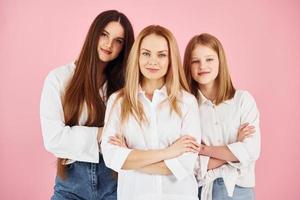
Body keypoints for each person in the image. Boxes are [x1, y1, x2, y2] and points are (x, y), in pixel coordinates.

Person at [40, 10, 134, 200]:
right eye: (104, 34)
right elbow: (53, 139)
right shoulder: (59, 78)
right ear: (94, 34)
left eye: (118, 41)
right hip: (71, 182)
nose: (109, 44)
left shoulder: (125, 86)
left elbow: (132, 134)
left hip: (115, 180)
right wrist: (103, 132)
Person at [101, 25, 201, 200]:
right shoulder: (118, 101)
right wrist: (169, 152)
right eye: (146, 53)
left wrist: (130, 158)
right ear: (137, 57)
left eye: (161, 55)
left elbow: (185, 164)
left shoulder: (187, 102)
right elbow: (112, 158)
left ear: (171, 59)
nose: (153, 61)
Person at [183, 33, 260, 200]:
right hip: (201, 191)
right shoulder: (186, 106)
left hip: (239, 190)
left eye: (209, 59)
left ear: (220, 62)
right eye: (195, 61)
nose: (202, 66)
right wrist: (233, 149)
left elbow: (250, 151)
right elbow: (188, 162)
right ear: (188, 66)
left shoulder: (242, 100)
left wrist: (205, 150)